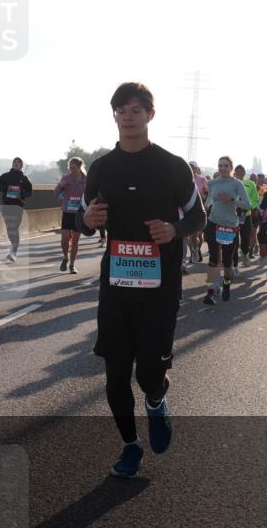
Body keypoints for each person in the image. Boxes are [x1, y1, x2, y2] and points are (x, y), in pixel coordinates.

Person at [77, 82, 206, 479]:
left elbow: (198, 218)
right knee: (115, 373)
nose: (128, 116)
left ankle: (155, 400)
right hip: (115, 285)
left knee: (148, 371)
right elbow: (85, 220)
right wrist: (88, 221)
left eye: (136, 109)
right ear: (114, 115)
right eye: (121, 110)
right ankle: (130, 447)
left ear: (151, 114)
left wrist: (173, 229)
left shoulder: (172, 165)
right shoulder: (101, 168)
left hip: (160, 287)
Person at [201, 157, 248, 305]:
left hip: (230, 226)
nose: (222, 168)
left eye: (226, 166)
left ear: (231, 168)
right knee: (213, 259)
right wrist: (204, 207)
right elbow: (209, 201)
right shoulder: (212, 183)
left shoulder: (237, 184)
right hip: (214, 223)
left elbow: (247, 205)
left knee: (227, 262)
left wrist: (231, 200)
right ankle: (211, 291)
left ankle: (226, 285)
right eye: (220, 165)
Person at [54, 157, 87, 274]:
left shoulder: (86, 180)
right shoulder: (66, 178)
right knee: (65, 238)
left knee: (75, 241)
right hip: (67, 212)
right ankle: (65, 257)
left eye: (73, 168)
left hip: (79, 214)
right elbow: (56, 193)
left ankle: (72, 265)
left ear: (79, 167)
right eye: (70, 167)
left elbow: (90, 195)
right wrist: (60, 185)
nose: (71, 170)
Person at [187, 162, 208, 264]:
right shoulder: (183, 178)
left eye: (192, 167)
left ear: (196, 168)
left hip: (199, 209)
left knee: (198, 236)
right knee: (190, 236)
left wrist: (203, 197)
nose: (190, 168)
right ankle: (193, 253)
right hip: (186, 210)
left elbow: (209, 192)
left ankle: (197, 250)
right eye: (189, 166)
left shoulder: (202, 179)